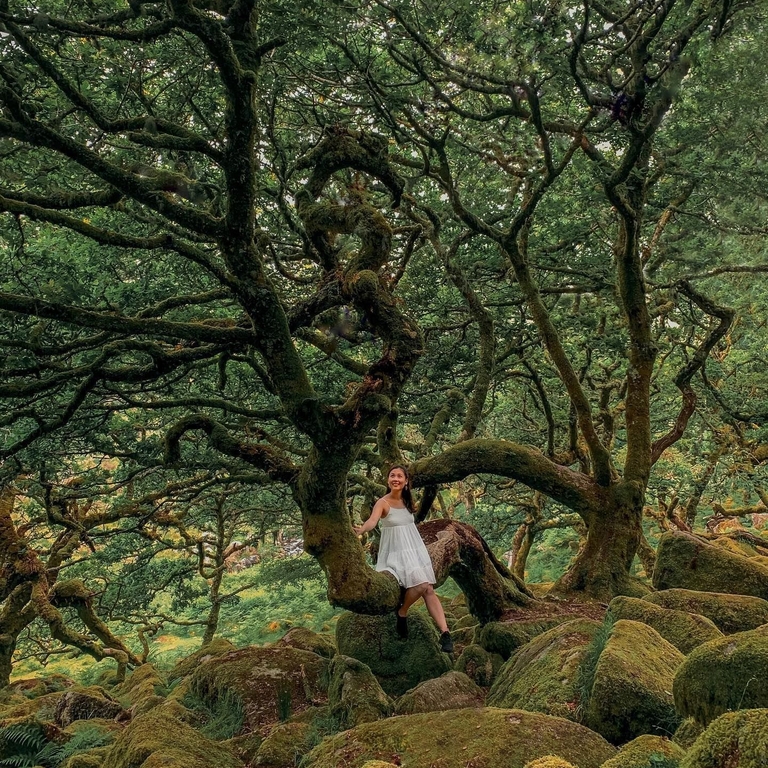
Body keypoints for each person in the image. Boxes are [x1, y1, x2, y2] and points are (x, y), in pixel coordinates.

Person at [353, 465, 454, 653]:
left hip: (414, 551)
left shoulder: (408, 502)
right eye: (392, 476)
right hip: (395, 554)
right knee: (423, 585)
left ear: (406, 481)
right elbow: (372, 521)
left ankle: (445, 633)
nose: (396, 479)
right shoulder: (382, 502)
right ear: (388, 480)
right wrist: (361, 530)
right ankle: (403, 611)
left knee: (428, 589)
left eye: (400, 476)